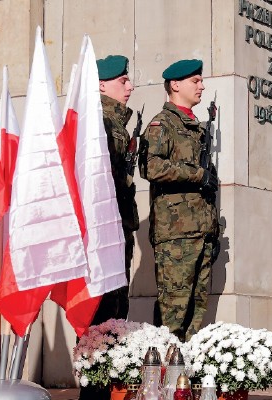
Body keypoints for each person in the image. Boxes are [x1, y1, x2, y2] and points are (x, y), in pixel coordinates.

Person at [138, 59, 219, 342]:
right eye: (195, 81)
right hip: (176, 235)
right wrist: (198, 175)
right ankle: (162, 380)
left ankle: (184, 380)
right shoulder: (164, 124)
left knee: (195, 315)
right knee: (173, 313)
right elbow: (151, 167)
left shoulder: (194, 127)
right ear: (175, 85)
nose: (202, 86)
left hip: (200, 231)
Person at [78, 54, 140, 400]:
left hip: (118, 230)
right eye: (122, 80)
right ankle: (92, 393)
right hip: (103, 233)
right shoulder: (98, 121)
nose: (129, 86)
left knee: (116, 313)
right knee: (100, 313)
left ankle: (103, 390)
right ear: (102, 84)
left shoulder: (116, 122)